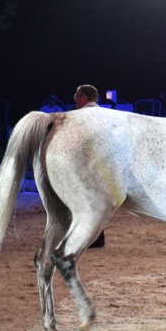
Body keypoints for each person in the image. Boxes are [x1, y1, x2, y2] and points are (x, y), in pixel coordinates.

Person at [73, 84, 105, 248]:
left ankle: (90, 237)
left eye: (76, 95)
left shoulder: (81, 115)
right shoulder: (104, 114)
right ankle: (97, 237)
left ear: (83, 98)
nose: (74, 98)